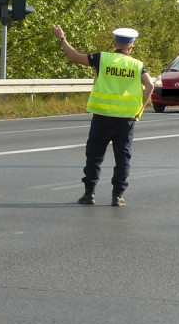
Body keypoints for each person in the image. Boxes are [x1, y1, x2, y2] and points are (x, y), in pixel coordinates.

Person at [52, 24, 155, 207]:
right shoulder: (138, 65)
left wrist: (62, 38)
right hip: (126, 119)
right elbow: (150, 85)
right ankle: (117, 196)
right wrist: (140, 109)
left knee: (94, 156)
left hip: (102, 117)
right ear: (131, 47)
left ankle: (89, 194)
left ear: (115, 42)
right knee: (122, 158)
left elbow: (74, 57)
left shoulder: (102, 58)